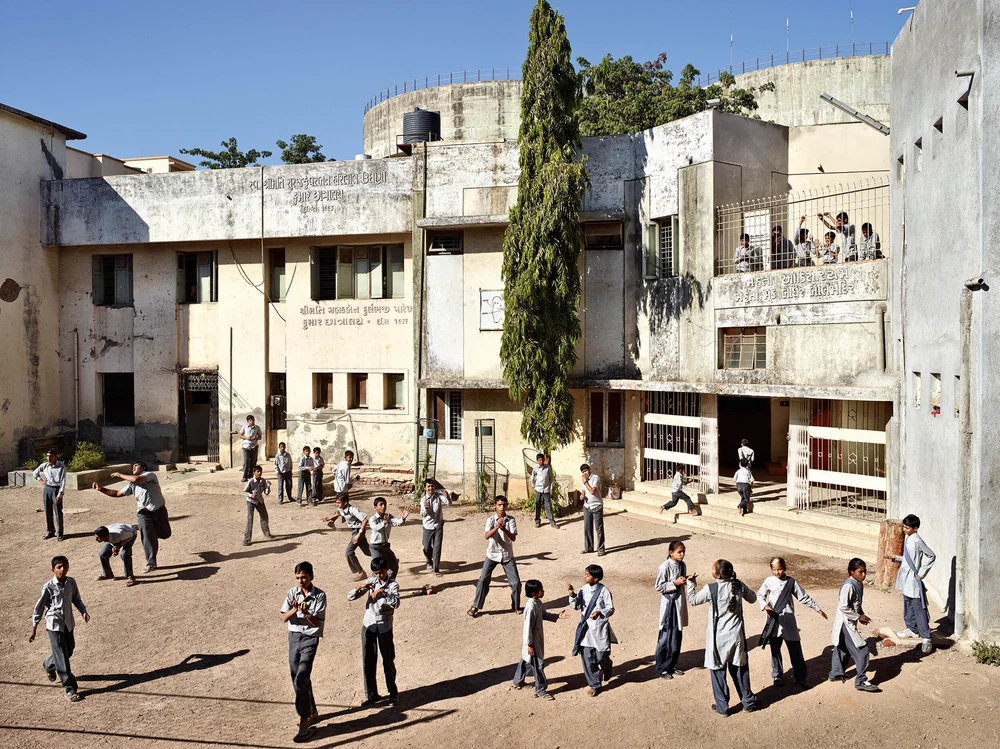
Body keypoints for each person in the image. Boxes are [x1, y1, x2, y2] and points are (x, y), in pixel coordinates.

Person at [687, 559, 758, 716]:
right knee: (740, 670)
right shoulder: (738, 585)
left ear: (717, 574)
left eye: (713, 568)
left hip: (718, 639)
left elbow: (692, 600)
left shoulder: (711, 589)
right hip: (737, 637)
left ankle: (723, 707)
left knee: (718, 673)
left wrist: (691, 584)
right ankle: (748, 702)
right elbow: (753, 598)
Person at [757, 557, 827, 688]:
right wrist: (764, 606)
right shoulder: (768, 581)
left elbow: (803, 597)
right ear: (771, 569)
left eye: (780, 569)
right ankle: (777, 675)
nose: (777, 572)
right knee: (775, 650)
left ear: (785, 568)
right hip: (774, 621)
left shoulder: (791, 582)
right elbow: (760, 595)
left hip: (789, 622)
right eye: (774, 569)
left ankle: (800, 678)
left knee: (795, 651)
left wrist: (817, 608)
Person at [29, 555, 90, 702]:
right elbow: (39, 608)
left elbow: (76, 598)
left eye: (65, 566)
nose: (62, 570)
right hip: (54, 625)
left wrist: (83, 611)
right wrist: (34, 627)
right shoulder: (48, 587)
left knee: (68, 650)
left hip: (68, 623)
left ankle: (49, 664)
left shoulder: (71, 582)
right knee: (62, 658)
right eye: (59, 567)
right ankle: (70, 689)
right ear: (53, 570)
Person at [92, 462, 170, 573]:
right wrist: (101, 489)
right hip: (144, 514)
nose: (133, 467)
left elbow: (136, 479)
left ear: (143, 468)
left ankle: (153, 534)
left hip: (159, 511)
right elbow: (118, 493)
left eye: (136, 465)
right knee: (147, 537)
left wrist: (119, 475)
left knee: (165, 534)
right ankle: (151, 563)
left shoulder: (150, 475)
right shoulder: (132, 485)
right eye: (132, 466)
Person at [280, 561, 326, 742]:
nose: (301, 581)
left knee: (302, 676)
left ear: (311, 576)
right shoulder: (292, 593)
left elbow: (317, 622)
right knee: (296, 676)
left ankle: (304, 723)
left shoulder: (320, 595)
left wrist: (306, 613)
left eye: (304, 577)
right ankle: (312, 711)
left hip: (309, 639)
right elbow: (284, 617)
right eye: (298, 578)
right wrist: (295, 609)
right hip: (294, 638)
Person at [349, 556, 400, 707]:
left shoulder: (393, 585)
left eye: (381, 572)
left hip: (384, 626)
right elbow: (350, 596)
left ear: (386, 570)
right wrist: (359, 588)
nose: (379, 575)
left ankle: (393, 693)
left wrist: (383, 593)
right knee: (368, 660)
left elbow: (396, 603)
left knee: (388, 659)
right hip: (369, 624)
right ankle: (371, 694)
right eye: (376, 573)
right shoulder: (371, 582)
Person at [884, 514, 936, 654]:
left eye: (907, 528)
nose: (904, 530)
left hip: (913, 579)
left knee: (919, 607)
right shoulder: (909, 539)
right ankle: (912, 629)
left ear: (915, 528)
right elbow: (908, 559)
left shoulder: (917, 540)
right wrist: (896, 558)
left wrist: (921, 572)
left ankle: (926, 637)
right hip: (906, 578)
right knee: (908, 605)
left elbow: (931, 555)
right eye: (904, 527)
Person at [829, 558, 881, 692]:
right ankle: (861, 681)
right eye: (860, 572)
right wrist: (858, 616)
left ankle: (835, 673)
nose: (863, 575)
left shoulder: (858, 584)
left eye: (865, 572)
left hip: (849, 621)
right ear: (851, 572)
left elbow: (856, 604)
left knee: (842, 648)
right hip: (845, 623)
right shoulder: (848, 586)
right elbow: (844, 607)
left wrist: (861, 614)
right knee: (862, 651)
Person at [513, 579, 569, 700]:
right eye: (541, 590)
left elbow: (544, 614)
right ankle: (541, 689)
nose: (543, 591)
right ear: (533, 593)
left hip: (536, 640)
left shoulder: (538, 602)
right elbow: (527, 628)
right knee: (538, 665)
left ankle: (518, 681)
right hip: (532, 642)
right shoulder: (530, 607)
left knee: (526, 661)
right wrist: (530, 644)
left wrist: (558, 616)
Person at [469, 496, 521, 618]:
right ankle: (476, 606)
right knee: (482, 580)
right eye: (499, 505)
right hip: (492, 554)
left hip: (507, 555)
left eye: (504, 505)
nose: (502, 507)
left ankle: (516, 605)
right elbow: (486, 536)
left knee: (516, 583)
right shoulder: (491, 519)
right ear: (495, 506)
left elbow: (513, 538)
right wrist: (497, 527)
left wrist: (504, 529)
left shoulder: (511, 520)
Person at [568, 564, 616, 697]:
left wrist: (600, 612)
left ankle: (607, 667)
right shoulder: (583, 589)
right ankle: (594, 684)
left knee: (601, 656)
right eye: (585, 574)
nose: (584, 577)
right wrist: (572, 595)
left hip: (599, 628)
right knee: (587, 658)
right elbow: (577, 605)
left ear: (595, 578)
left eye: (587, 575)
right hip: (586, 629)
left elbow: (610, 608)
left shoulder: (604, 591)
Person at [654, 540, 690, 679]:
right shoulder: (664, 567)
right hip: (669, 606)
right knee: (665, 637)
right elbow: (659, 586)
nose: (682, 554)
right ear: (671, 552)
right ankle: (660, 668)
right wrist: (674, 583)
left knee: (676, 637)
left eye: (683, 552)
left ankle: (671, 665)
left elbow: (682, 580)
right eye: (679, 552)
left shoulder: (682, 565)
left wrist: (687, 579)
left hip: (678, 604)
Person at [356, 497, 408, 578]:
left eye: (384, 504)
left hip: (385, 546)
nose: (383, 506)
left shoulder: (388, 516)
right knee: (378, 567)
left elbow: (397, 522)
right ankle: (374, 587)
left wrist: (403, 518)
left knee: (394, 566)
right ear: (375, 507)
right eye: (381, 505)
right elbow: (375, 528)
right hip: (375, 547)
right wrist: (384, 522)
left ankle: (388, 585)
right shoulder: (373, 518)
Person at [322, 495, 370, 580]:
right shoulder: (341, 508)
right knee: (368, 551)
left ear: (345, 503)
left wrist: (359, 534)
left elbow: (365, 520)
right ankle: (390, 559)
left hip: (358, 530)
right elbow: (339, 513)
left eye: (339, 503)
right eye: (336, 502)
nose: (337, 504)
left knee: (349, 552)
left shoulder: (353, 510)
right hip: (355, 531)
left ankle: (361, 572)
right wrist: (328, 518)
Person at [419, 479, 451, 576]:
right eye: (428, 486)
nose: (430, 488)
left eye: (432, 486)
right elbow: (422, 514)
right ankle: (429, 561)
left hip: (438, 525)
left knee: (437, 547)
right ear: (425, 488)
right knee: (427, 546)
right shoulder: (423, 500)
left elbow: (448, 503)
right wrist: (426, 508)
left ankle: (436, 569)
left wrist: (447, 496)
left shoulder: (438, 496)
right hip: (428, 526)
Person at [34, 449, 67, 541]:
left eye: (51, 456)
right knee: (48, 511)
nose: (49, 458)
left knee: (58, 512)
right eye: (47, 456)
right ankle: (50, 531)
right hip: (47, 489)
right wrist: (40, 480)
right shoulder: (44, 465)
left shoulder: (61, 467)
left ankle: (60, 534)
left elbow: (63, 482)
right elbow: (35, 472)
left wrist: (60, 494)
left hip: (56, 489)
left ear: (56, 456)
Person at [243, 465, 273, 546]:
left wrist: (268, 487)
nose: (259, 473)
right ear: (254, 473)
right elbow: (244, 491)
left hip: (259, 501)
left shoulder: (263, 481)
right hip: (251, 501)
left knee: (264, 516)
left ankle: (267, 534)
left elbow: (266, 493)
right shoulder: (251, 481)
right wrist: (250, 495)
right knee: (250, 519)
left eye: (260, 471)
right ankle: (246, 539)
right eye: (258, 472)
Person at [580, 465, 605, 556]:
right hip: (587, 506)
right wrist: (582, 495)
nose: (584, 473)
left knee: (599, 528)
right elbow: (583, 489)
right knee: (587, 528)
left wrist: (585, 482)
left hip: (597, 506)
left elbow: (592, 491)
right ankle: (589, 547)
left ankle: (601, 549)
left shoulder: (595, 478)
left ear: (590, 470)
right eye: (583, 472)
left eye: (586, 471)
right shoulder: (583, 479)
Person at [531, 453, 556, 529]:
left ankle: (552, 522)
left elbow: (551, 478)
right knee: (537, 505)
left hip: (546, 489)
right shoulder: (535, 469)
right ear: (537, 461)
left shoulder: (548, 468)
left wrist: (551, 488)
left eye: (542, 460)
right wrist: (533, 485)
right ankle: (537, 521)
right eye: (539, 460)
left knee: (548, 506)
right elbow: (532, 477)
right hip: (538, 489)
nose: (541, 461)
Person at [240, 415, 261, 481]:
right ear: (248, 421)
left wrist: (256, 438)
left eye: (252, 420)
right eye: (250, 420)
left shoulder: (257, 427)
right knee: (246, 462)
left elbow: (260, 437)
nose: (252, 421)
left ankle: (251, 475)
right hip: (246, 446)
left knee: (253, 462)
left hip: (254, 446)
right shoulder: (244, 427)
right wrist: (246, 437)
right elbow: (240, 435)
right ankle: (245, 476)